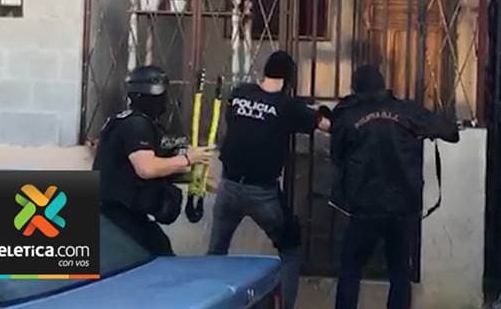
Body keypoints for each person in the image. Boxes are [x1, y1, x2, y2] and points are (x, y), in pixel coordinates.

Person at [208, 50, 330, 309]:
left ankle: (208, 303)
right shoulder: (288, 106)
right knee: (291, 250)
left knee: (216, 253)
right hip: (262, 193)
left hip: (228, 186)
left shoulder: (240, 93)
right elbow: (325, 125)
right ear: (289, 79)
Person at [330, 65, 460, 309]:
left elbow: (336, 156)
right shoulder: (407, 111)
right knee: (399, 271)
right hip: (403, 205)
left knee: (350, 269)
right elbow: (451, 131)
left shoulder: (347, 115)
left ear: (356, 89)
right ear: (383, 86)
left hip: (364, 207)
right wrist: (426, 130)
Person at [93, 65, 214, 255]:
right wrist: (187, 159)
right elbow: (146, 168)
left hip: (125, 213)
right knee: (157, 257)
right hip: (116, 215)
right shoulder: (136, 124)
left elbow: (152, 164)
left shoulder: (131, 121)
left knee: (159, 251)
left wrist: (194, 178)